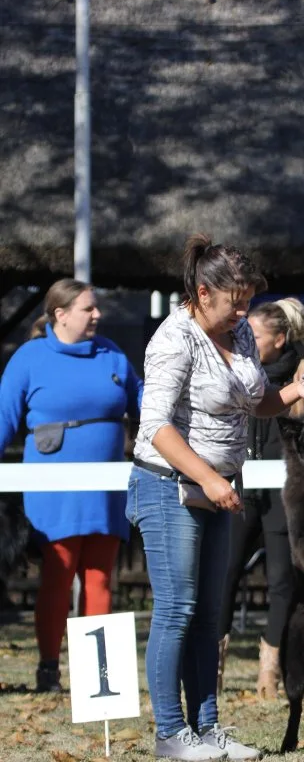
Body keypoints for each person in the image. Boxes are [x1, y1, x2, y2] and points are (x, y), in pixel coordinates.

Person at [126, 235, 304, 762]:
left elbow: (253, 401)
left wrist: (292, 395)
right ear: (203, 290)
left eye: (248, 300)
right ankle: (171, 731)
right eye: (236, 298)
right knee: (177, 609)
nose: (244, 309)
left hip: (218, 488)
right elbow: (158, 427)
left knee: (210, 612)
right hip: (168, 485)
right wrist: (209, 480)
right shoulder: (174, 339)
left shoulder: (234, 330)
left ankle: (207, 727)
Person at [0, 279, 143, 692]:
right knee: (58, 579)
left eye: (96, 308)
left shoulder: (112, 354)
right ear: (60, 315)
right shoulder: (29, 358)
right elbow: (5, 419)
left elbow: (145, 405)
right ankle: (48, 669)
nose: (97, 314)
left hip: (105, 490)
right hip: (52, 489)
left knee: (99, 579)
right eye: (88, 308)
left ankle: (99, 679)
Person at [217, 297, 304, 699]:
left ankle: (270, 669)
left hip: (286, 494)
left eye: (255, 334)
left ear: (280, 339)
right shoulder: (237, 369)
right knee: (225, 572)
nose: (245, 338)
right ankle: (214, 666)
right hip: (240, 489)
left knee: (283, 581)